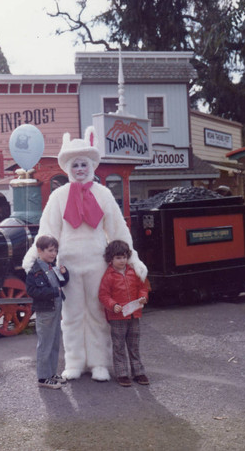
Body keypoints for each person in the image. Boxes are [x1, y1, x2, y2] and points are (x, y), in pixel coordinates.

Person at [23, 126, 147, 382]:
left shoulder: (103, 194)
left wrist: (133, 257)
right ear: (69, 168)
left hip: (96, 264)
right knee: (71, 316)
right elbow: (47, 231)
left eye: (83, 164)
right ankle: (75, 362)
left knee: (97, 313)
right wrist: (33, 256)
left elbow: (118, 230)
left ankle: (99, 362)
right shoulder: (59, 196)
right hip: (67, 266)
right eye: (75, 165)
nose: (80, 169)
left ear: (91, 165)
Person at [98, 240, 150, 387]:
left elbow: (143, 287)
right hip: (117, 317)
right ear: (111, 259)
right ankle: (122, 374)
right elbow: (103, 295)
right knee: (119, 346)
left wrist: (143, 297)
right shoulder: (108, 276)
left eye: (124, 257)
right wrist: (113, 305)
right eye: (118, 258)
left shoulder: (133, 272)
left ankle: (138, 372)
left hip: (134, 315)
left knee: (134, 345)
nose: (122, 261)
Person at [26, 235, 69, 389]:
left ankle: (51, 373)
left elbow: (62, 282)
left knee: (55, 341)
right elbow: (31, 290)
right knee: (45, 344)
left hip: (55, 309)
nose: (53, 254)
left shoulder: (53, 267)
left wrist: (64, 274)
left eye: (55, 250)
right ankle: (43, 377)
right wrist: (53, 291)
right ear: (39, 251)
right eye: (50, 250)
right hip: (45, 311)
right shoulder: (35, 271)